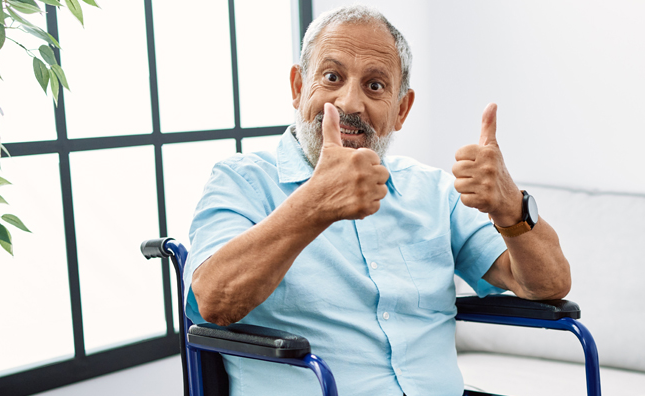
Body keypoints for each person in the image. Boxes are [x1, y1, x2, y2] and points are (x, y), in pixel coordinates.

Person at [183, 5, 571, 396]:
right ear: (299, 87)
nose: (350, 103)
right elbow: (214, 302)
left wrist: (511, 209)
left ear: (401, 109)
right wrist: (313, 206)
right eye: (332, 77)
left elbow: (548, 285)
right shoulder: (240, 180)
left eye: (375, 86)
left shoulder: (433, 191)